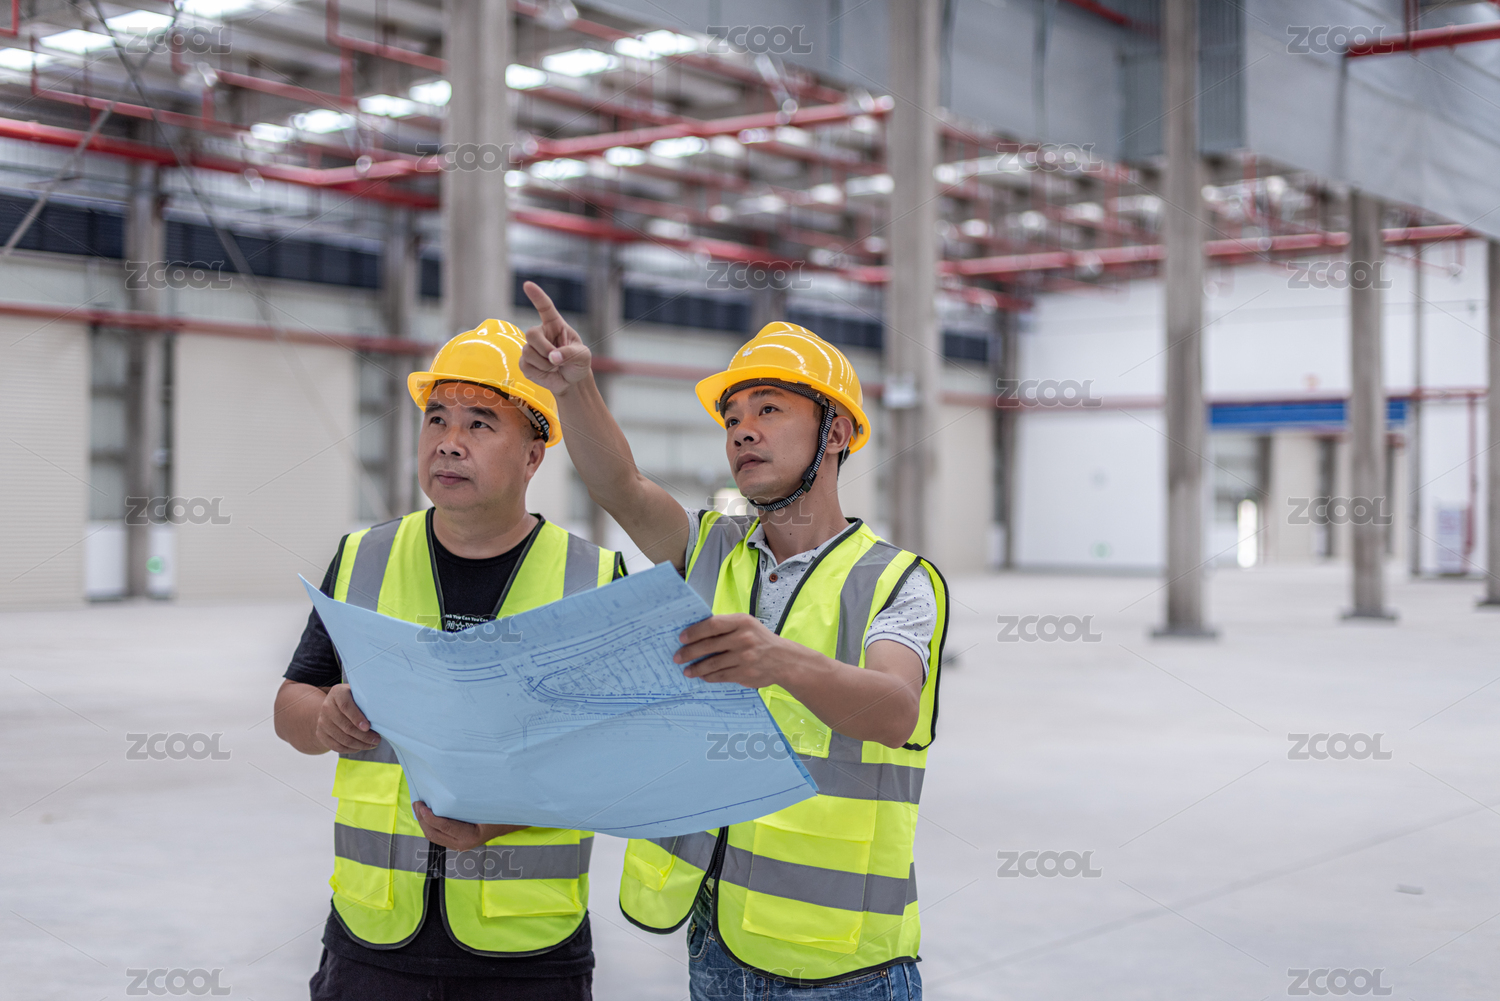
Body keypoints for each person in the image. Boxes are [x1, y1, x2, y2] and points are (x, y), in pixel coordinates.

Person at [519, 281, 946, 1000]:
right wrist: (575, 389)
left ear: (836, 432)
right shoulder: (709, 547)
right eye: (733, 418)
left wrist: (778, 661)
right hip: (716, 945)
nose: (743, 431)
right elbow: (621, 486)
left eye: (769, 409)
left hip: (845, 966)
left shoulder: (894, 580)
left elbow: (894, 709)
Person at [273, 319, 624, 1001]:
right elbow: (293, 702)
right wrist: (323, 720)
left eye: (479, 424)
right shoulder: (365, 558)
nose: (448, 441)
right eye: (436, 418)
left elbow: (620, 757)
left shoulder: (590, 581)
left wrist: (500, 817)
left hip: (527, 953)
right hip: (372, 941)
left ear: (533, 456)